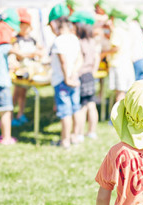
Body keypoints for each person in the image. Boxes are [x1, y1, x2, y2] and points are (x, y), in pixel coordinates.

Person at [0, 8, 24, 145]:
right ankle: (6, 138)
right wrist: (37, 53)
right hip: (2, 84)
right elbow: (20, 54)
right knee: (6, 112)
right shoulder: (5, 48)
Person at [48, 4, 84, 148]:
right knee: (76, 108)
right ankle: (76, 136)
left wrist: (67, 77)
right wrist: (74, 73)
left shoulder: (58, 41)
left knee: (65, 112)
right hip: (74, 79)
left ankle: (65, 140)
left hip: (63, 80)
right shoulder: (74, 39)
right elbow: (80, 58)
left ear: (54, 24)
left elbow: (63, 61)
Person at [10, 8, 44, 127]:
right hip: (20, 70)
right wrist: (33, 54)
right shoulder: (16, 40)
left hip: (30, 69)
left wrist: (39, 53)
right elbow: (18, 54)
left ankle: (21, 113)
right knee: (16, 94)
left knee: (23, 94)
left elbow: (40, 49)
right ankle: (11, 115)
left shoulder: (32, 39)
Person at [70, 11, 100, 140]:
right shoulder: (92, 41)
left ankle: (79, 133)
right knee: (91, 104)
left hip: (81, 74)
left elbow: (78, 60)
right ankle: (92, 131)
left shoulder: (79, 42)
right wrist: (93, 71)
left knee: (81, 106)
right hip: (89, 74)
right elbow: (96, 58)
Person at [100, 7, 135, 103]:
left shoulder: (117, 31)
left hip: (118, 64)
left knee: (119, 94)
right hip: (127, 63)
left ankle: (117, 116)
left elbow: (116, 47)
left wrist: (103, 54)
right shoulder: (127, 30)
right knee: (125, 92)